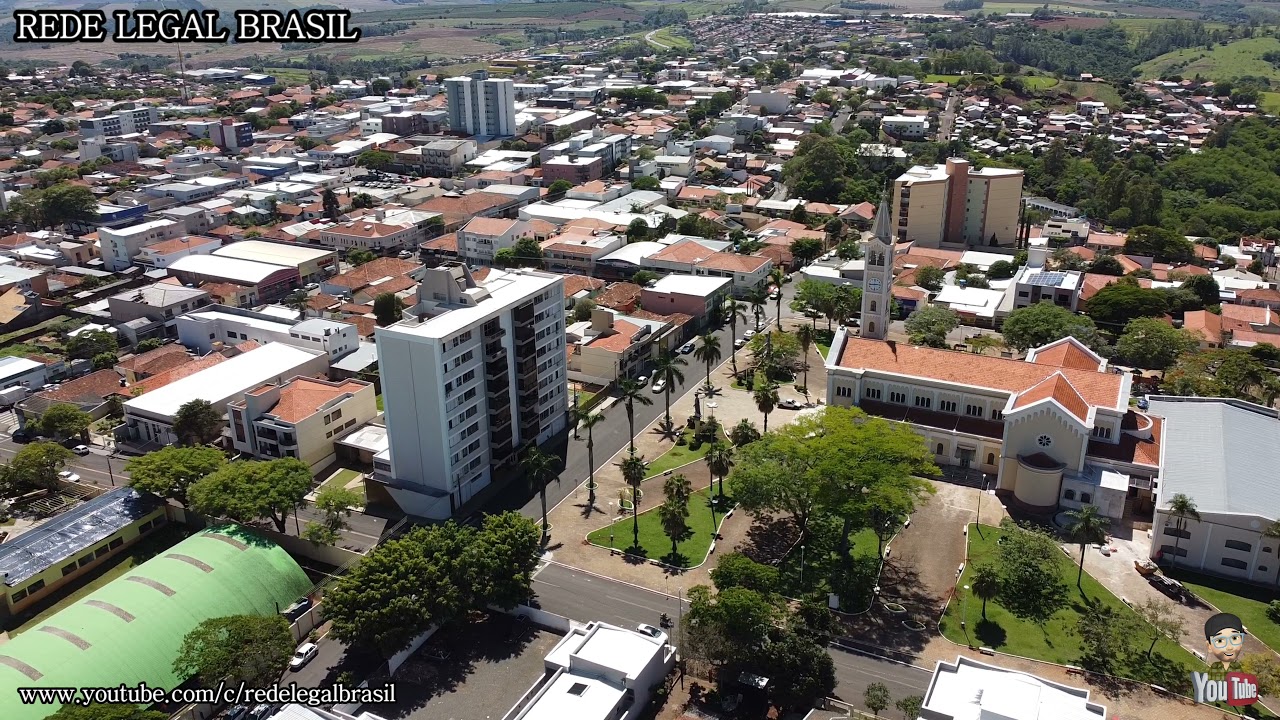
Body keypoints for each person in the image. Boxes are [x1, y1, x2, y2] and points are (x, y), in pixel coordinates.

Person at [1204, 612, 1246, 679]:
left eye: (1234, 638)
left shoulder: (1237, 667)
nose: (1229, 647)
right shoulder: (1214, 667)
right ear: (1209, 646)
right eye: (1220, 640)